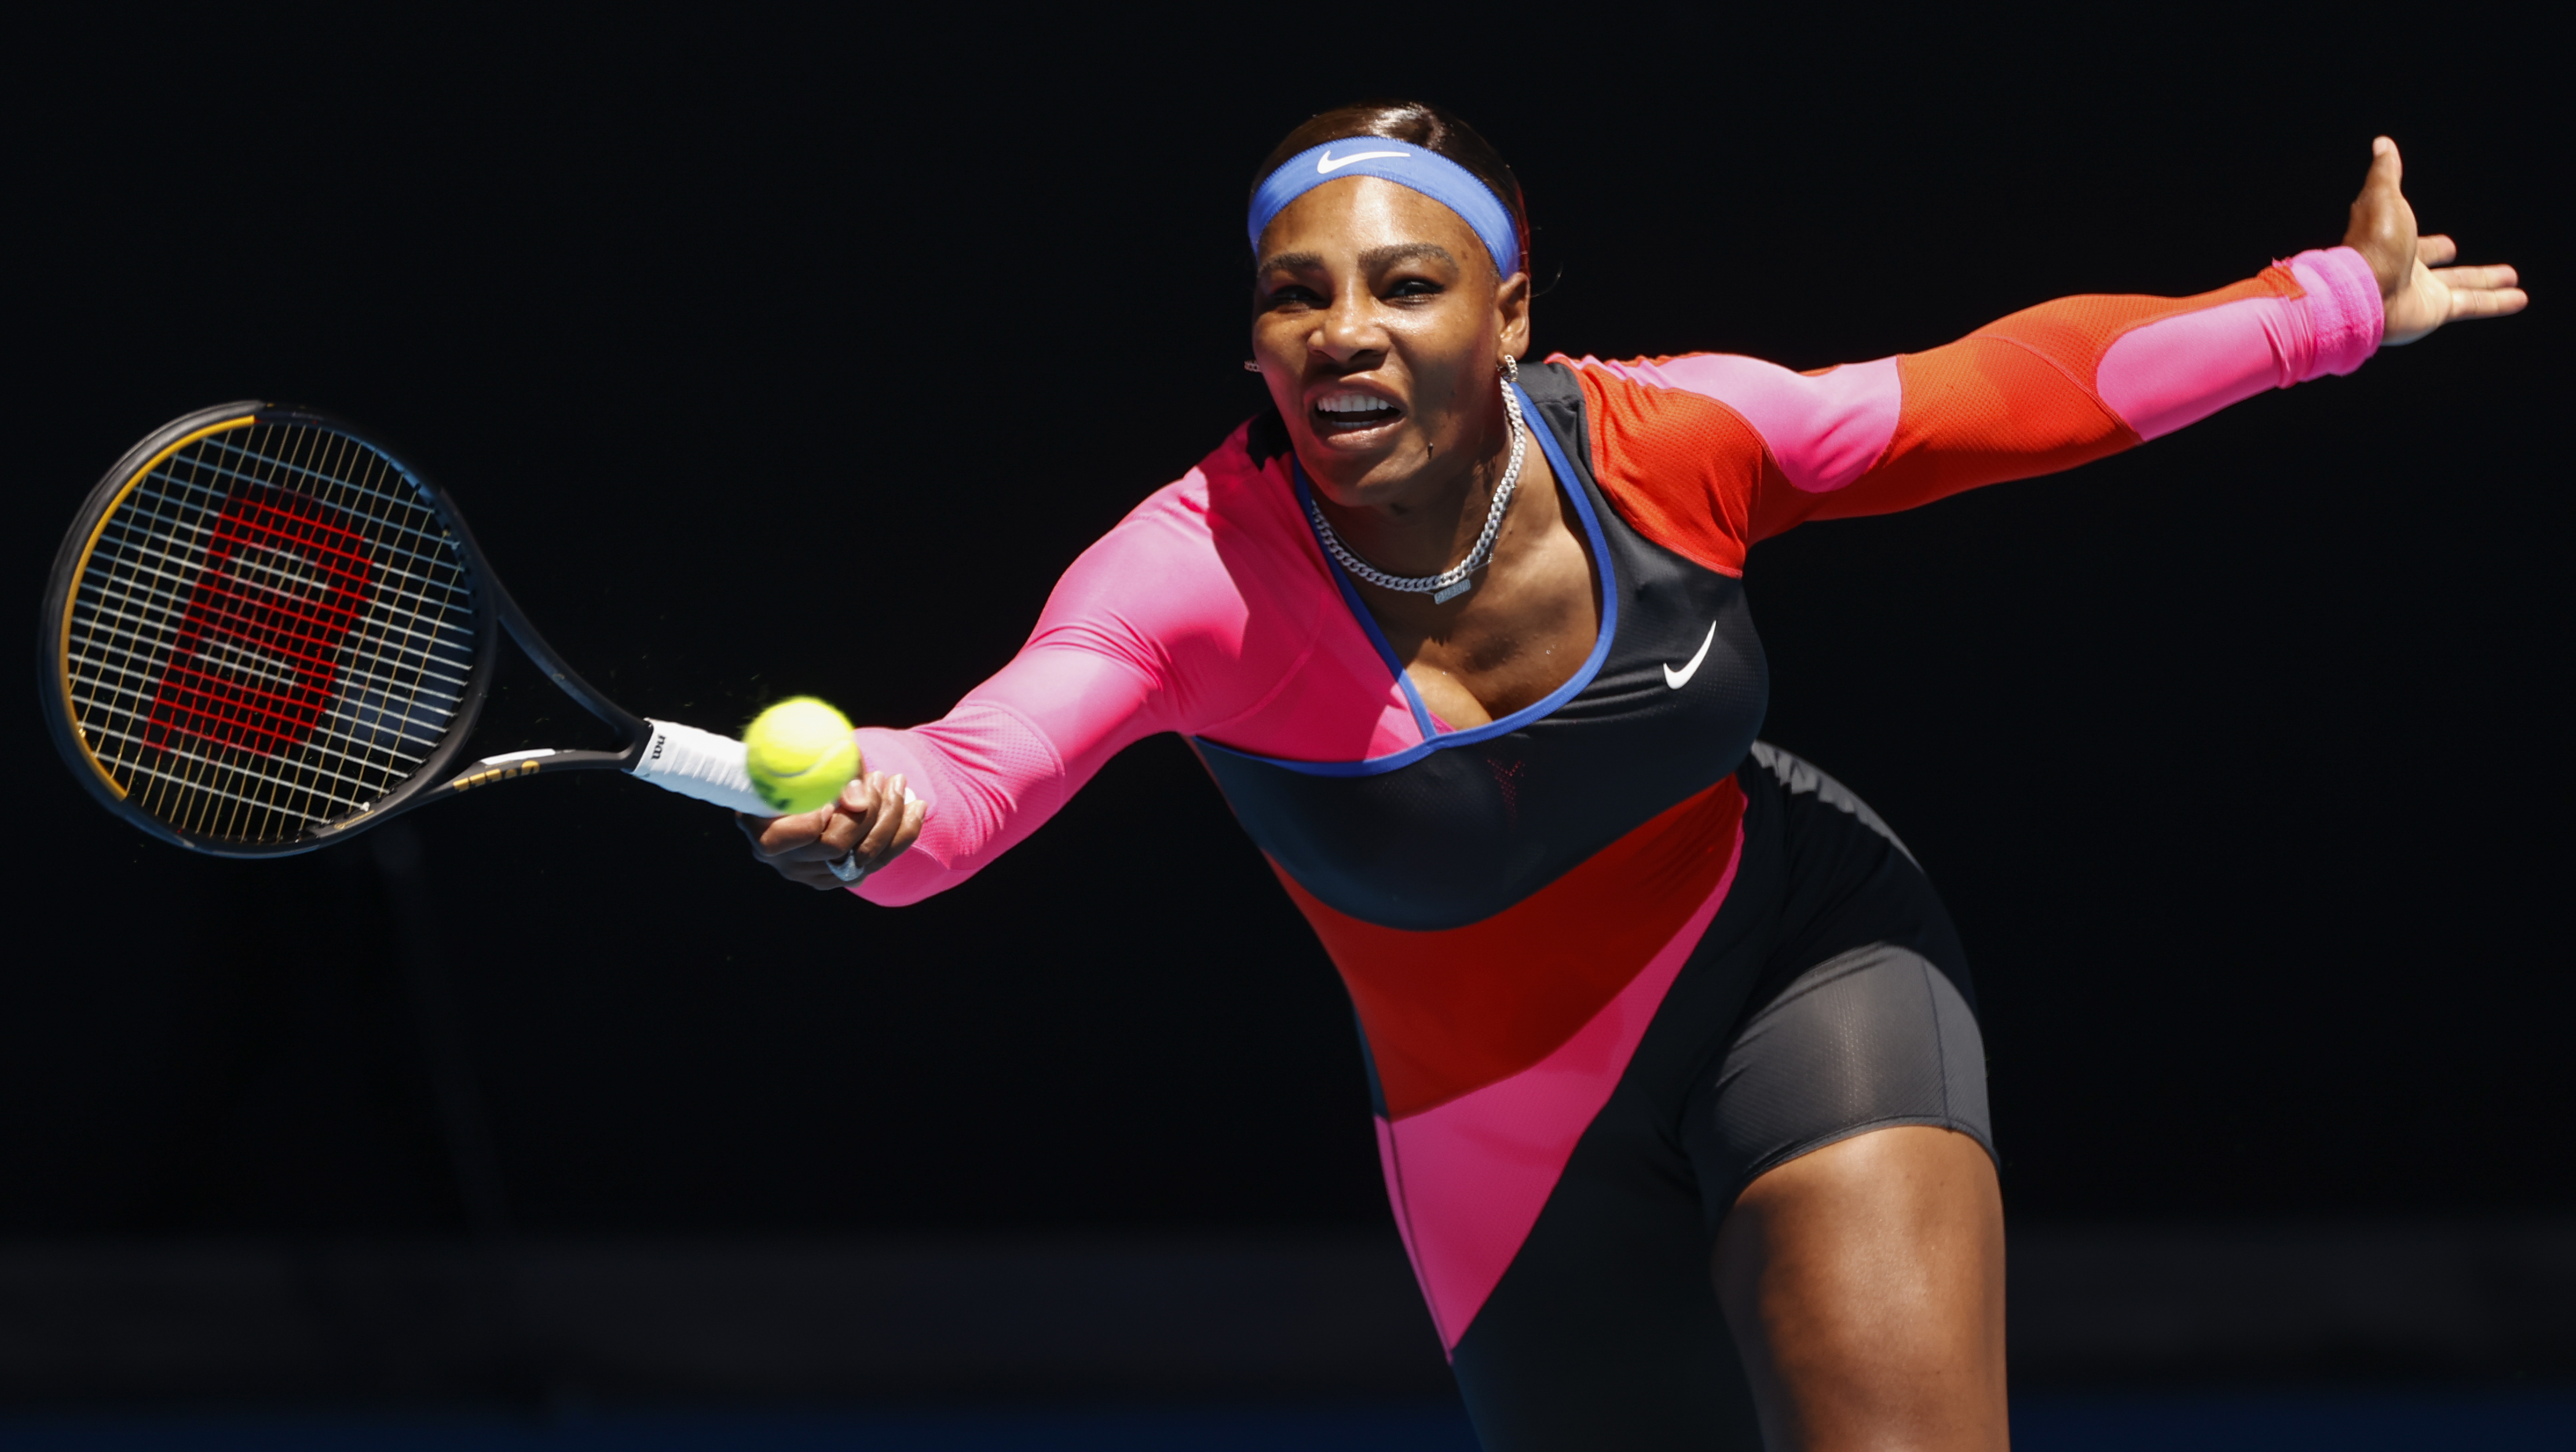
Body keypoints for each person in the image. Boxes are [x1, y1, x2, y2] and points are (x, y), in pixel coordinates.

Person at [740, 102, 2523, 1450]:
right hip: (1498, 1145)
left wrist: (2336, 304)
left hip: (1795, 965)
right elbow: (971, 777)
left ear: (1509, 314)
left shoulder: (1673, 443)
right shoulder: (1187, 575)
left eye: (1405, 283)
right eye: (1299, 295)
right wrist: (883, 815)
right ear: (1257, 343)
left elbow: (1993, 395)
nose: (1345, 328)